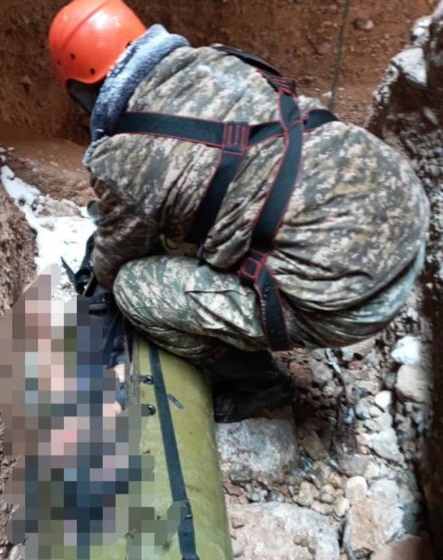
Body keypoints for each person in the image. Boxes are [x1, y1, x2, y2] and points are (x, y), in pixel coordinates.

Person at [48, 0, 429, 422]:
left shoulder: (122, 159)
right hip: (409, 217)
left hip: (357, 302)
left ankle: (259, 385)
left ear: (80, 91)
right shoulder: (218, 60)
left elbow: (114, 263)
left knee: (134, 290)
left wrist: (106, 263)